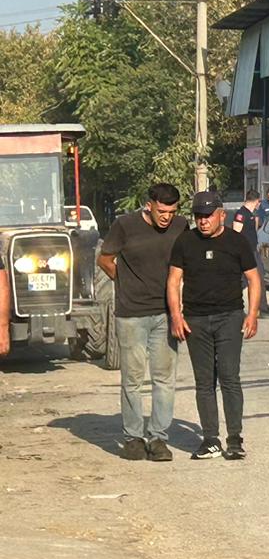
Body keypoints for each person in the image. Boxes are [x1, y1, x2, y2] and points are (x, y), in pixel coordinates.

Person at [167, 190, 261, 461]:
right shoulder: (185, 242)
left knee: (230, 377)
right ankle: (210, 439)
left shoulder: (237, 242)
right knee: (204, 381)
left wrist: (252, 315)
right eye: (199, 216)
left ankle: (234, 439)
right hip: (195, 320)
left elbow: (254, 280)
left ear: (222, 214)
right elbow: (173, 281)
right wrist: (177, 316)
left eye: (208, 215)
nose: (203, 221)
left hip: (229, 317)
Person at [97, 184, 187, 462]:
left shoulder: (181, 226)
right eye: (162, 211)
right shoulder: (125, 225)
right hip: (132, 314)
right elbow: (105, 259)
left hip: (165, 313)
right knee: (132, 380)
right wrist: (124, 283)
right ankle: (133, 438)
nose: (166, 217)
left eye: (172, 212)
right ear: (149, 205)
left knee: (164, 380)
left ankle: (159, 438)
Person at [231, 189, 269, 317]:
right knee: (243, 281)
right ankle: (232, 305)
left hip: (253, 251)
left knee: (260, 278)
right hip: (244, 253)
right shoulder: (241, 214)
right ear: (257, 201)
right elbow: (236, 234)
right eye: (258, 202)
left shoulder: (252, 214)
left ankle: (262, 308)